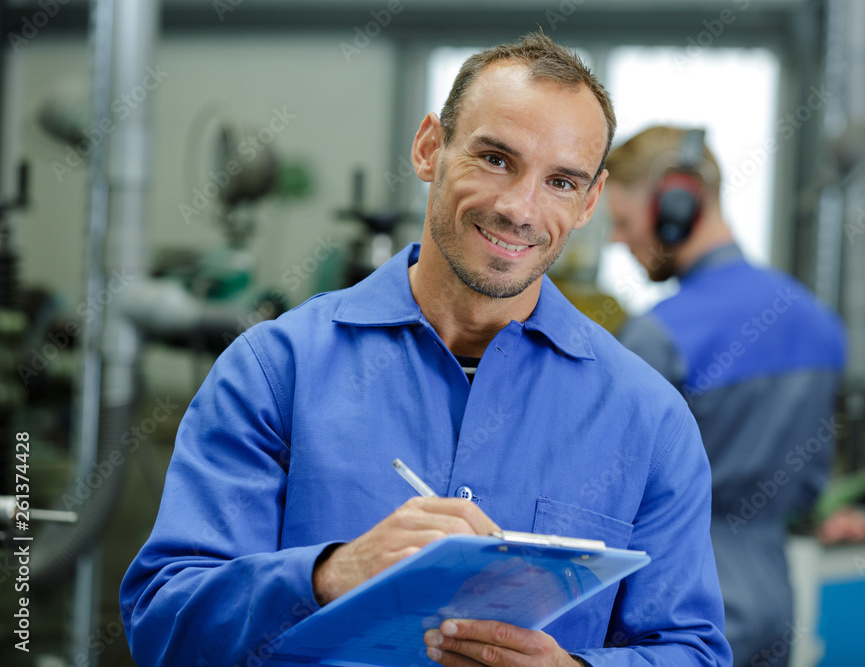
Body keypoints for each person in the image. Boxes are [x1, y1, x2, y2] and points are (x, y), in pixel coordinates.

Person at [120, 35, 732, 667]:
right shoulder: (275, 373)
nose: (519, 208)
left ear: (590, 202)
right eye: (496, 159)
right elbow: (163, 624)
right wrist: (332, 573)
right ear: (429, 148)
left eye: (560, 181)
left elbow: (693, 651)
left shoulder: (649, 419)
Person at [605, 126, 846, 667]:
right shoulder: (820, 324)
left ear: (675, 203)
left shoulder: (657, 337)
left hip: (679, 613)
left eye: (621, 222)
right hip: (774, 600)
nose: (617, 241)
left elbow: (613, 498)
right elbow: (809, 489)